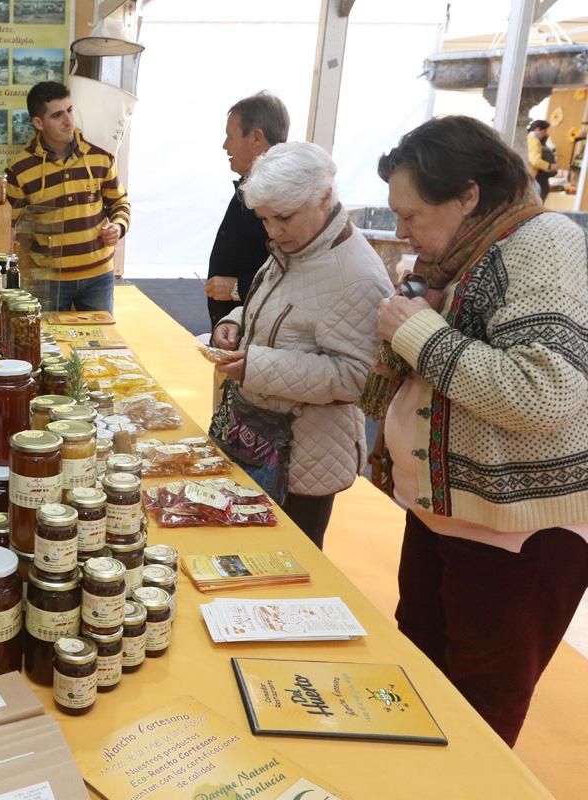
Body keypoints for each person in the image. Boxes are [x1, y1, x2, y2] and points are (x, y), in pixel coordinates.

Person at [370, 115, 588, 747]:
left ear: (468, 194)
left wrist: (416, 331)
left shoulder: (542, 243)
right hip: (453, 518)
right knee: (424, 693)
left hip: (516, 535)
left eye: (411, 215)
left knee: (476, 718)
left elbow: (544, 391)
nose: (401, 231)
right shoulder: (477, 250)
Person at [211, 142, 391, 548]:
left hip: (304, 460)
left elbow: (356, 378)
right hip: (260, 436)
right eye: (264, 220)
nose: (272, 231)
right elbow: (279, 308)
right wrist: (235, 322)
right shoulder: (298, 245)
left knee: (284, 568)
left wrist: (256, 365)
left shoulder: (358, 276)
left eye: (284, 218)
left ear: (325, 196)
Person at [6, 81, 131, 313]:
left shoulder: (100, 156)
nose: (68, 121)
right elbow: (10, 227)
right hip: (47, 281)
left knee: (100, 344)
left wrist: (118, 226)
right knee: (46, 346)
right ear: (38, 123)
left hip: (99, 276)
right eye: (57, 115)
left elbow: (119, 202)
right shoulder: (19, 170)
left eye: (70, 110)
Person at [203, 92, 290, 328]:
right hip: (237, 325)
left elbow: (291, 272)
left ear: (256, 138)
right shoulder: (251, 182)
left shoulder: (280, 194)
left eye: (229, 137)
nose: (224, 146)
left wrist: (237, 287)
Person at [526, 119, 557, 201]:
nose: (546, 133)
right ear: (538, 129)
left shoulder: (528, 138)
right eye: (545, 130)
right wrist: (549, 166)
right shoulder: (534, 141)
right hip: (533, 175)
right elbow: (535, 160)